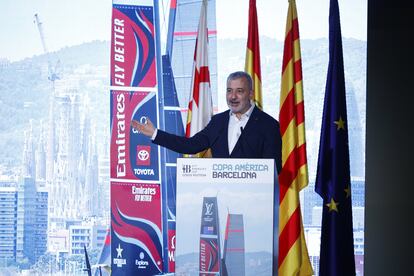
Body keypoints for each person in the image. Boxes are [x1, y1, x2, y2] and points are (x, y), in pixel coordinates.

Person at [131, 71, 282, 173]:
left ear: (251, 93)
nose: (233, 96)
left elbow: (274, 170)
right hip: (220, 199)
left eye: (239, 91)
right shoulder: (218, 122)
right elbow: (190, 146)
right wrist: (156, 134)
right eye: (229, 90)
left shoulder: (268, 126)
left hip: (255, 204)